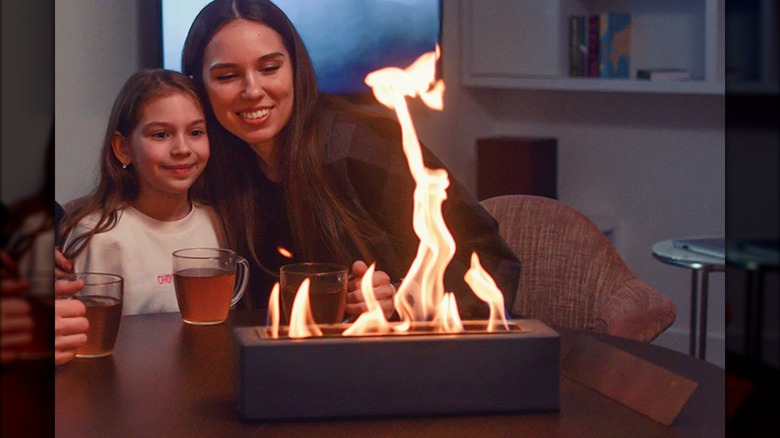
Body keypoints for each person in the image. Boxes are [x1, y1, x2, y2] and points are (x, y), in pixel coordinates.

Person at [180, 0, 521, 319]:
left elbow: (492, 260)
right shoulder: (212, 163)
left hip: (411, 361)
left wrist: (404, 297)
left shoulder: (357, 144)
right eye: (227, 76)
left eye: (269, 68)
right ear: (200, 87)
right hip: (285, 363)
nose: (252, 90)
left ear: (296, 70)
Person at [58, 69, 224, 316]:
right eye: (160, 134)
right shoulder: (100, 237)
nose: (182, 148)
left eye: (195, 132)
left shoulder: (217, 219)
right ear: (123, 148)